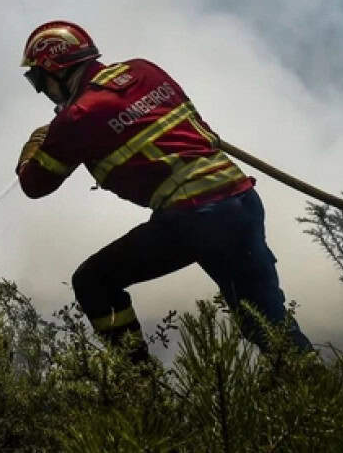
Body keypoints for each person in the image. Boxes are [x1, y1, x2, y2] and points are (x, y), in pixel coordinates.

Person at [16, 20, 313, 363]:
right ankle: (311, 387)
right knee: (265, 321)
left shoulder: (77, 118)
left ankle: (139, 385)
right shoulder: (144, 70)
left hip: (195, 216)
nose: (42, 91)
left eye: (39, 80)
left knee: (93, 282)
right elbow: (193, 128)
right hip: (241, 201)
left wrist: (36, 142)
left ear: (56, 70)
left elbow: (34, 185)